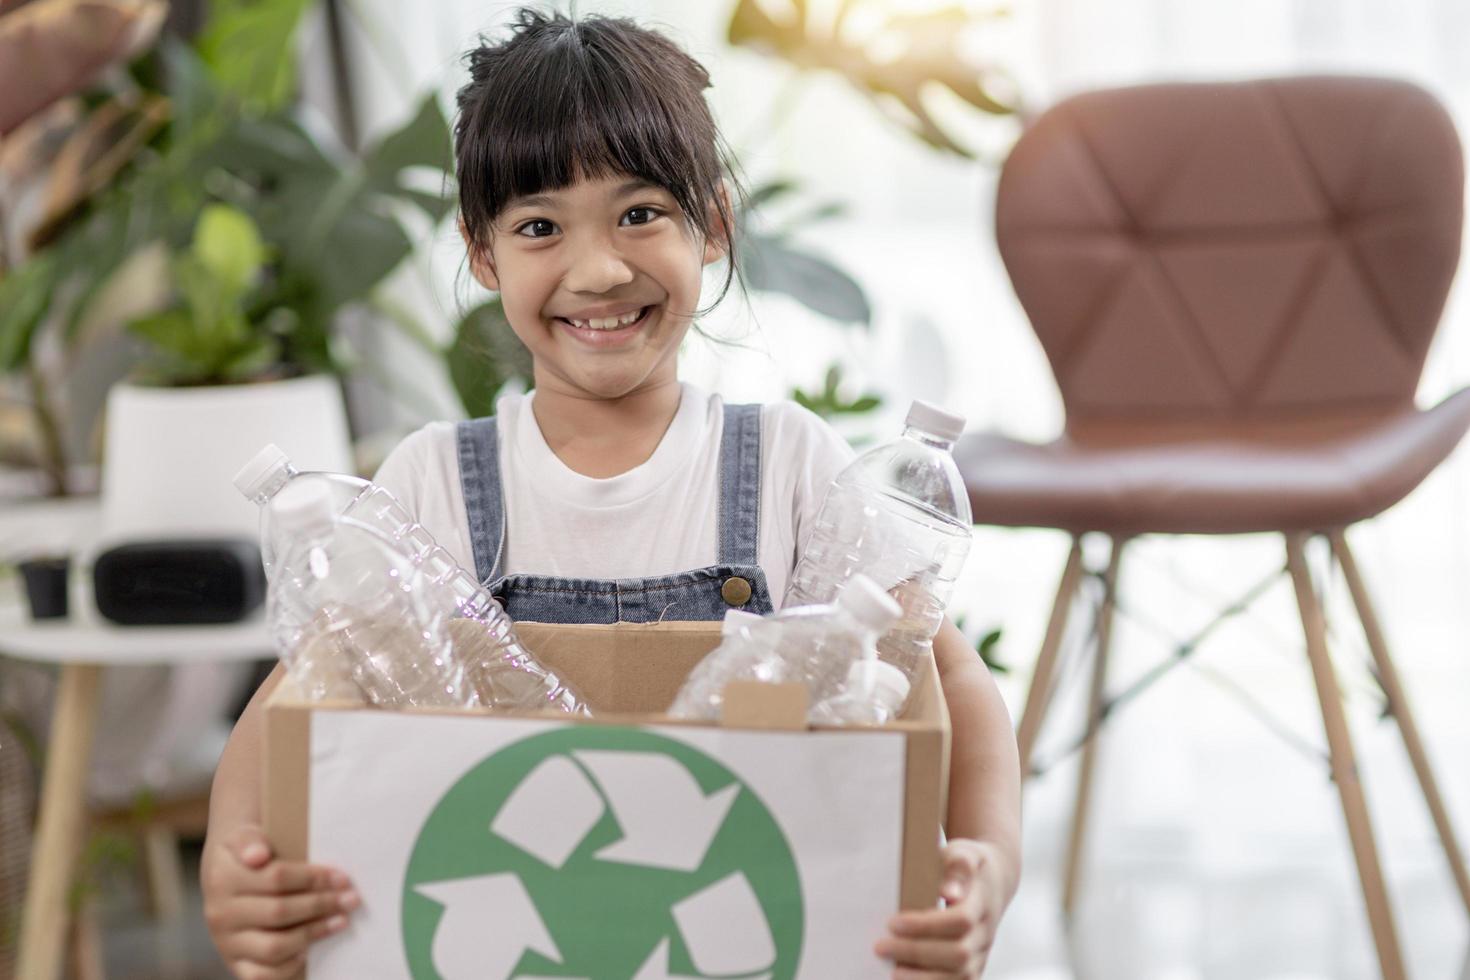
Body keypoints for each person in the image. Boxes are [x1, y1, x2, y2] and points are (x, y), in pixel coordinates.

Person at [201, 9, 1021, 979]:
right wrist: (231, 865)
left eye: (639, 213)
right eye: (540, 226)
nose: (597, 269)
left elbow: (948, 679)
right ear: (482, 255)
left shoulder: (790, 461)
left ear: (711, 224)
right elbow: (296, 694)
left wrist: (988, 863)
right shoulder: (433, 479)